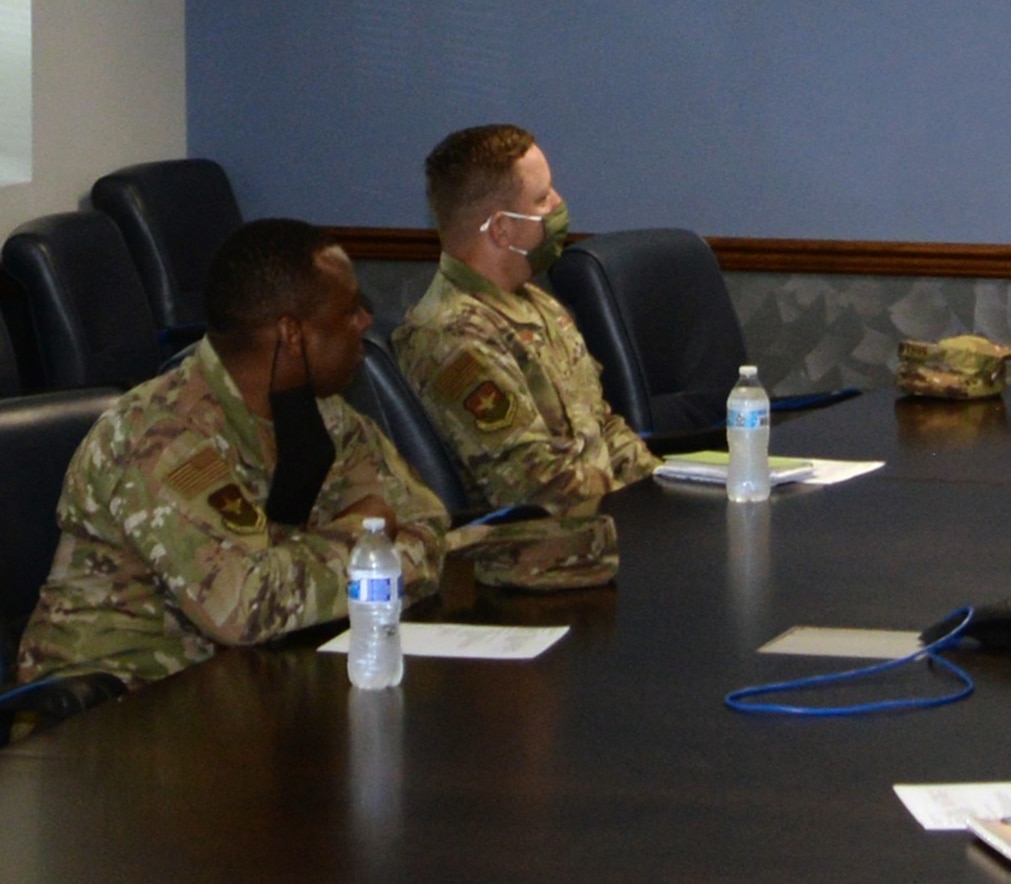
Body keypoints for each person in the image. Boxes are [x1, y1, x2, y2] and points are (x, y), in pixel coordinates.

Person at [17, 220, 449, 689]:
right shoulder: (160, 434)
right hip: (112, 710)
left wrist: (308, 567)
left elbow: (427, 523)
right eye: (348, 313)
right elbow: (245, 606)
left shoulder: (326, 418)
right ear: (291, 335)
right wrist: (360, 541)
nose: (366, 323)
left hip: (234, 687)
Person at [392, 124, 660, 517]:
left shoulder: (537, 304)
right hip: (542, 552)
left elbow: (601, 429)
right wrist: (642, 509)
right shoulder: (450, 336)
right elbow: (532, 483)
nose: (558, 205)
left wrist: (665, 486)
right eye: (541, 198)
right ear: (501, 228)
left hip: (609, 521)